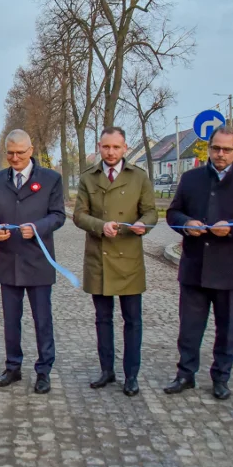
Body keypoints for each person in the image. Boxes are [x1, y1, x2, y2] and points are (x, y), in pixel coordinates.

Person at [165, 125, 233, 401]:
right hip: (195, 267)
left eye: (226, 149)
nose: (220, 154)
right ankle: (185, 374)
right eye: (216, 148)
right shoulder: (191, 179)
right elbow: (173, 212)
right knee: (189, 327)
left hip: (232, 269)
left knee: (227, 329)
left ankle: (221, 377)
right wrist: (185, 224)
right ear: (209, 148)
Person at [73, 127, 157, 397]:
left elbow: (151, 211)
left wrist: (144, 224)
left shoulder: (139, 177)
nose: (110, 152)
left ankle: (131, 374)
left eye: (116, 147)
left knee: (133, 320)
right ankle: (106, 369)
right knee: (103, 319)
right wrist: (100, 225)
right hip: (100, 257)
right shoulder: (88, 178)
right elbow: (79, 215)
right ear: (99, 147)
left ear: (125, 148)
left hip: (129, 258)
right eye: (106, 147)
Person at [0, 129, 66, 395]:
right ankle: (13, 366)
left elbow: (58, 215)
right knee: (10, 319)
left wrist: (39, 227)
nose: (15, 157)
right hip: (9, 260)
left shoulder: (51, 179)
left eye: (20, 152)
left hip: (38, 260)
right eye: (10, 153)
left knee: (42, 319)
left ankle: (44, 370)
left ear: (31, 151)